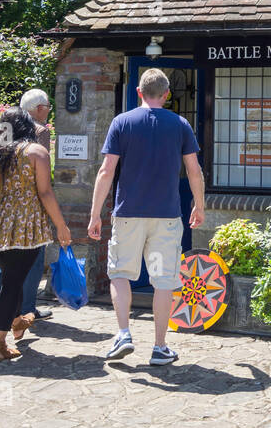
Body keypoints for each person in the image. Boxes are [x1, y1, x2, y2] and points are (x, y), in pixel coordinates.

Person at [88, 68, 205, 365]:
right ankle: (159, 347)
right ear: (167, 95)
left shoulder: (122, 123)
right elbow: (194, 170)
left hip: (128, 214)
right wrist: (199, 204)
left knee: (120, 273)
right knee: (163, 281)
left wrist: (95, 215)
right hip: (165, 216)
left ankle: (124, 333)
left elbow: (106, 171)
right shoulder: (180, 124)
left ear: (139, 92)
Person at [0, 107, 71, 363]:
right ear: (25, 127)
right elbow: (45, 193)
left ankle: (18, 321)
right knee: (12, 283)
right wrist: (61, 225)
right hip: (27, 229)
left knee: (12, 276)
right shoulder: (35, 152)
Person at [0, 88, 54, 324]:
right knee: (29, 260)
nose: (48, 111)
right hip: (29, 213)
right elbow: (42, 185)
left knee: (9, 258)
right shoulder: (39, 134)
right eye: (47, 107)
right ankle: (24, 310)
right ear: (37, 109)